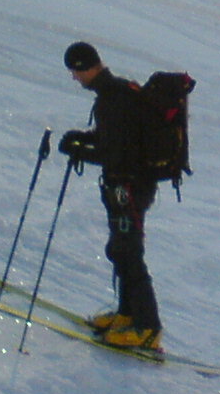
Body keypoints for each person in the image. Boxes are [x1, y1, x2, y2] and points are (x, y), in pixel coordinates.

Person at [57, 41, 163, 350]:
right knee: (120, 249)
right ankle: (128, 314)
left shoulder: (111, 99)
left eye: (75, 71)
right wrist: (82, 138)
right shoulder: (116, 93)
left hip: (129, 186)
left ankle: (148, 328)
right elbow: (115, 139)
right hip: (130, 185)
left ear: (86, 67)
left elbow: (113, 154)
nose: (74, 77)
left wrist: (80, 150)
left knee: (129, 252)